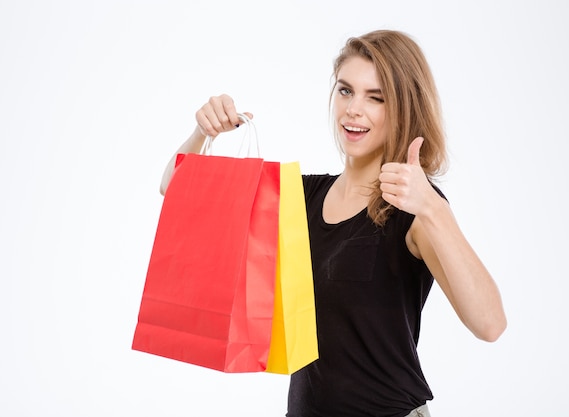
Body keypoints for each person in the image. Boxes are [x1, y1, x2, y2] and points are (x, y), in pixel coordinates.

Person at [159, 29, 507, 417]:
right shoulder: (300, 198)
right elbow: (176, 193)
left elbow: (490, 324)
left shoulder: (412, 209)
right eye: (345, 91)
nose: (354, 109)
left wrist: (433, 208)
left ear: (404, 108)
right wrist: (202, 133)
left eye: (376, 98)